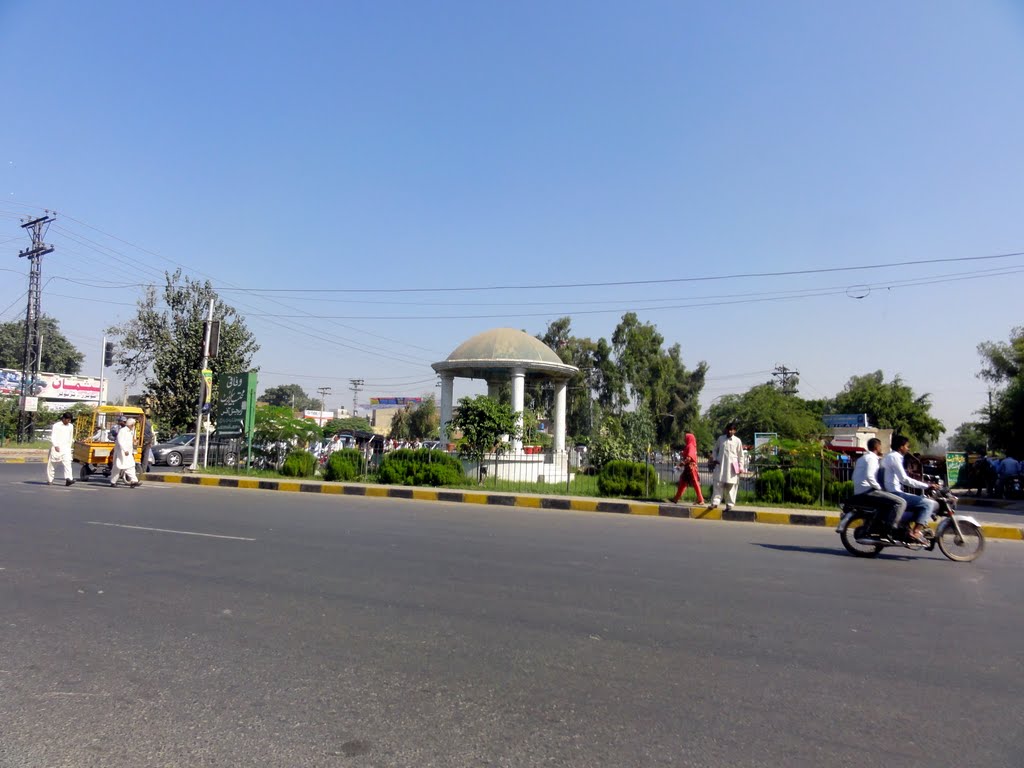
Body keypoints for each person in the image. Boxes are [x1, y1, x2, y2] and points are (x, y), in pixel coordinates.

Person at [880, 435, 938, 544]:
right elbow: (904, 479)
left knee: (919, 500)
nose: (908, 448)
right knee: (928, 504)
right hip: (895, 493)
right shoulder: (895, 457)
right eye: (907, 446)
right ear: (901, 447)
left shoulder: (890, 456)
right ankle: (915, 532)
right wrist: (927, 485)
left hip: (893, 491)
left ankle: (906, 527)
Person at [849, 438, 905, 537]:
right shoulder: (872, 458)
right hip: (868, 491)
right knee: (900, 502)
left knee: (886, 503)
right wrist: (879, 488)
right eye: (880, 446)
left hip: (859, 491)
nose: (881, 448)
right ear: (877, 447)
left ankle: (880, 524)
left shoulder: (862, 458)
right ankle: (891, 527)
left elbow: (853, 476)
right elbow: (870, 476)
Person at [708, 423, 744, 512]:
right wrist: (715, 458)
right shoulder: (721, 439)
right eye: (729, 429)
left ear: (735, 431)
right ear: (726, 430)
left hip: (732, 468)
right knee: (718, 484)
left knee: (731, 486)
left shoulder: (737, 441)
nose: (730, 431)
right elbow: (715, 450)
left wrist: (741, 466)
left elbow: (741, 455)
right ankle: (715, 503)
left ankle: (729, 505)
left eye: (732, 430)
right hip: (721, 465)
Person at [671, 432, 704, 505]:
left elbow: (689, 458)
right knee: (683, 482)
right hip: (688, 467)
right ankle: (676, 498)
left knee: (695, 483)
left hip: (691, 467)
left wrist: (680, 464)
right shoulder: (690, 446)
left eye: (686, 438)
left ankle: (700, 499)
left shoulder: (690, 446)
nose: (685, 439)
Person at [47, 411, 76, 487]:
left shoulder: (70, 426)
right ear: (63, 418)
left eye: (70, 420)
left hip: (66, 448)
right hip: (57, 447)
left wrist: (70, 447)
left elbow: (70, 437)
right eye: (67, 420)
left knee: (68, 464)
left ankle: (68, 479)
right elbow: (53, 436)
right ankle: (50, 479)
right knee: (52, 464)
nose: (68, 421)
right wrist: (55, 445)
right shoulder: (56, 425)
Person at [110, 417, 141, 488]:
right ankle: (113, 481)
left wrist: (134, 447)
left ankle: (134, 481)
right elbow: (120, 441)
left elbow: (131, 442)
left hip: (128, 452)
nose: (134, 426)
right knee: (118, 467)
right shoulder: (122, 431)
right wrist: (125, 450)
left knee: (130, 465)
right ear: (131, 424)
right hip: (121, 452)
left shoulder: (131, 431)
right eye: (133, 425)